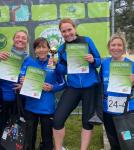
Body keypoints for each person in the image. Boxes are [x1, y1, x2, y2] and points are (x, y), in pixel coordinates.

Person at [53, 18, 101, 150]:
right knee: (57, 119)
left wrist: (92, 60)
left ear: (74, 28)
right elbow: (63, 70)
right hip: (73, 87)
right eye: (64, 31)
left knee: (87, 122)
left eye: (69, 29)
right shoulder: (62, 49)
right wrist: (57, 64)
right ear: (61, 33)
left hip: (90, 86)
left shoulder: (87, 41)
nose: (67, 33)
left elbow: (98, 61)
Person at [19, 37, 65, 150]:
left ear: (49, 49)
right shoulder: (30, 63)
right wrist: (23, 81)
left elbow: (64, 83)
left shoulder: (54, 63)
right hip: (31, 106)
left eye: (44, 47)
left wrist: (52, 88)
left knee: (47, 138)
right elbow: (22, 79)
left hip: (47, 107)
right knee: (29, 138)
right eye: (38, 47)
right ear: (35, 50)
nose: (41, 50)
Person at [100, 33, 134, 150]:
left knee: (127, 142)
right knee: (113, 141)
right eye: (113, 45)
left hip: (126, 111)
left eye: (119, 45)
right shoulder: (104, 63)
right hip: (108, 110)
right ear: (109, 48)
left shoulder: (131, 65)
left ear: (124, 48)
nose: (116, 47)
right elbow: (100, 83)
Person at [0, 30, 29, 138]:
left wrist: (25, 84)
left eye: (23, 38)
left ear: (27, 42)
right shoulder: (4, 56)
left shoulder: (30, 61)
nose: (20, 40)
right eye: (18, 37)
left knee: (15, 133)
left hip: (20, 102)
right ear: (13, 39)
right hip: (3, 99)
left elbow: (34, 83)